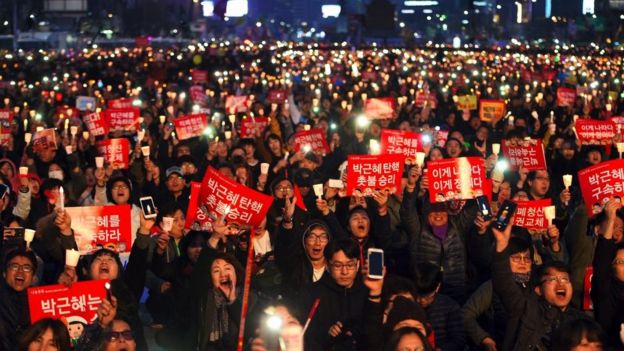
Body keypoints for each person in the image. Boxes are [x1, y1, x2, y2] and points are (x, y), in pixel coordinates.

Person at [492, 220, 590, 350]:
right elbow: (503, 282)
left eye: (565, 279)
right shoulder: (524, 309)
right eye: (552, 280)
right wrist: (501, 247)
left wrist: (554, 243)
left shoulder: (583, 322)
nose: (560, 283)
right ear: (539, 289)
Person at [0, 249, 38, 350]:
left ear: (33, 277)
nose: (20, 271)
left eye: (27, 268)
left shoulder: (40, 300)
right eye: (14, 266)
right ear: (4, 273)